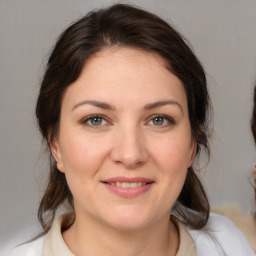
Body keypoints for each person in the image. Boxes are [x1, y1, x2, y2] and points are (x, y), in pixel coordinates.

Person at [10, 3, 254, 256]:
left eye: (158, 120)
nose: (130, 154)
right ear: (55, 145)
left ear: (193, 144)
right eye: (96, 120)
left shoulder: (229, 245)